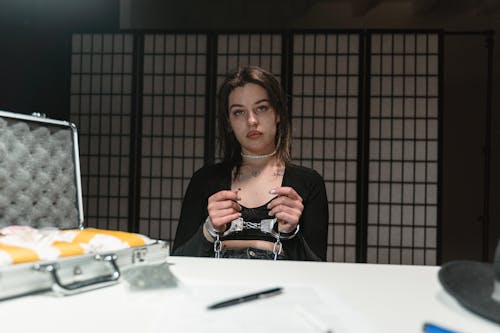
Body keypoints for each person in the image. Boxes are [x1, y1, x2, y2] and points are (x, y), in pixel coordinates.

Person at [172, 66, 328, 261]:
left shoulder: (308, 182)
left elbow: (318, 271)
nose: (251, 120)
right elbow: (179, 261)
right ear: (229, 122)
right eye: (239, 112)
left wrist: (290, 233)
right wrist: (208, 231)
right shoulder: (205, 180)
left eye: (261, 108)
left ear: (278, 113)